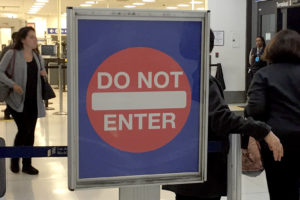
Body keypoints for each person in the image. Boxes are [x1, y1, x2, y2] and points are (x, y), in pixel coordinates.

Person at [162, 31, 284, 200]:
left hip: (186, 162)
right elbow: (221, 120)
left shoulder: (180, 76)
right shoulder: (203, 79)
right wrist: (262, 131)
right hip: (203, 169)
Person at [245, 29, 300, 200]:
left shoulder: (264, 75)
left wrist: (254, 136)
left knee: (281, 191)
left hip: (276, 143)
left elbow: (255, 110)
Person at [0, 27, 47, 175]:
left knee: (31, 132)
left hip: (33, 100)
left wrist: (43, 73)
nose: (35, 40)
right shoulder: (12, 54)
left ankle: (27, 164)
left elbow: (39, 76)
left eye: (35, 37)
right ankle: (15, 159)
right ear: (23, 40)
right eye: (32, 37)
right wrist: (12, 84)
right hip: (16, 100)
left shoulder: (37, 56)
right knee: (23, 130)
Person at [0, 32, 18, 119]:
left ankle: (9, 111)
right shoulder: (14, 49)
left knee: (10, 94)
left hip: (8, 76)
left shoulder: (6, 49)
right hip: (13, 76)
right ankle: (9, 111)